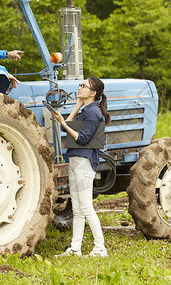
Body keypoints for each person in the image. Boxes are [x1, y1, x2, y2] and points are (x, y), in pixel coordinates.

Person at [52, 76, 111, 257]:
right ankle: (75, 248)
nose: (79, 88)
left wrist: (63, 123)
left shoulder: (94, 113)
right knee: (77, 208)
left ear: (92, 93)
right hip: (76, 161)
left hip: (84, 163)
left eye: (83, 86)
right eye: (80, 85)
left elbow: (82, 138)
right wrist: (77, 106)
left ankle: (100, 247)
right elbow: (66, 128)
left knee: (86, 207)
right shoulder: (86, 110)